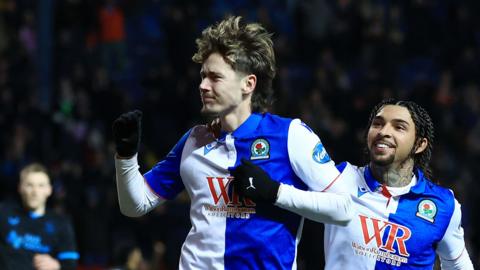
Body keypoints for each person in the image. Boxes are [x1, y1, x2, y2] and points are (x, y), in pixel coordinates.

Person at [112, 16, 353, 269]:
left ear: (248, 84)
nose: (203, 85)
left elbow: (344, 208)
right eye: (202, 76)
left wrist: (275, 192)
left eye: (215, 77)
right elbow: (135, 205)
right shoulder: (194, 140)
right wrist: (126, 157)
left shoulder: (290, 135)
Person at [234, 98, 474, 269]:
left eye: (399, 127)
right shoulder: (338, 179)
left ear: (419, 144)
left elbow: (458, 264)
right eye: (378, 124)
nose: (383, 131)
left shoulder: (443, 205)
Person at [0, 163, 79, 270]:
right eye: (29, 185)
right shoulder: (4, 213)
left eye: (41, 186)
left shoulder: (61, 223)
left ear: (49, 190)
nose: (35, 192)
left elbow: (71, 264)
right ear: (20, 188)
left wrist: (57, 265)